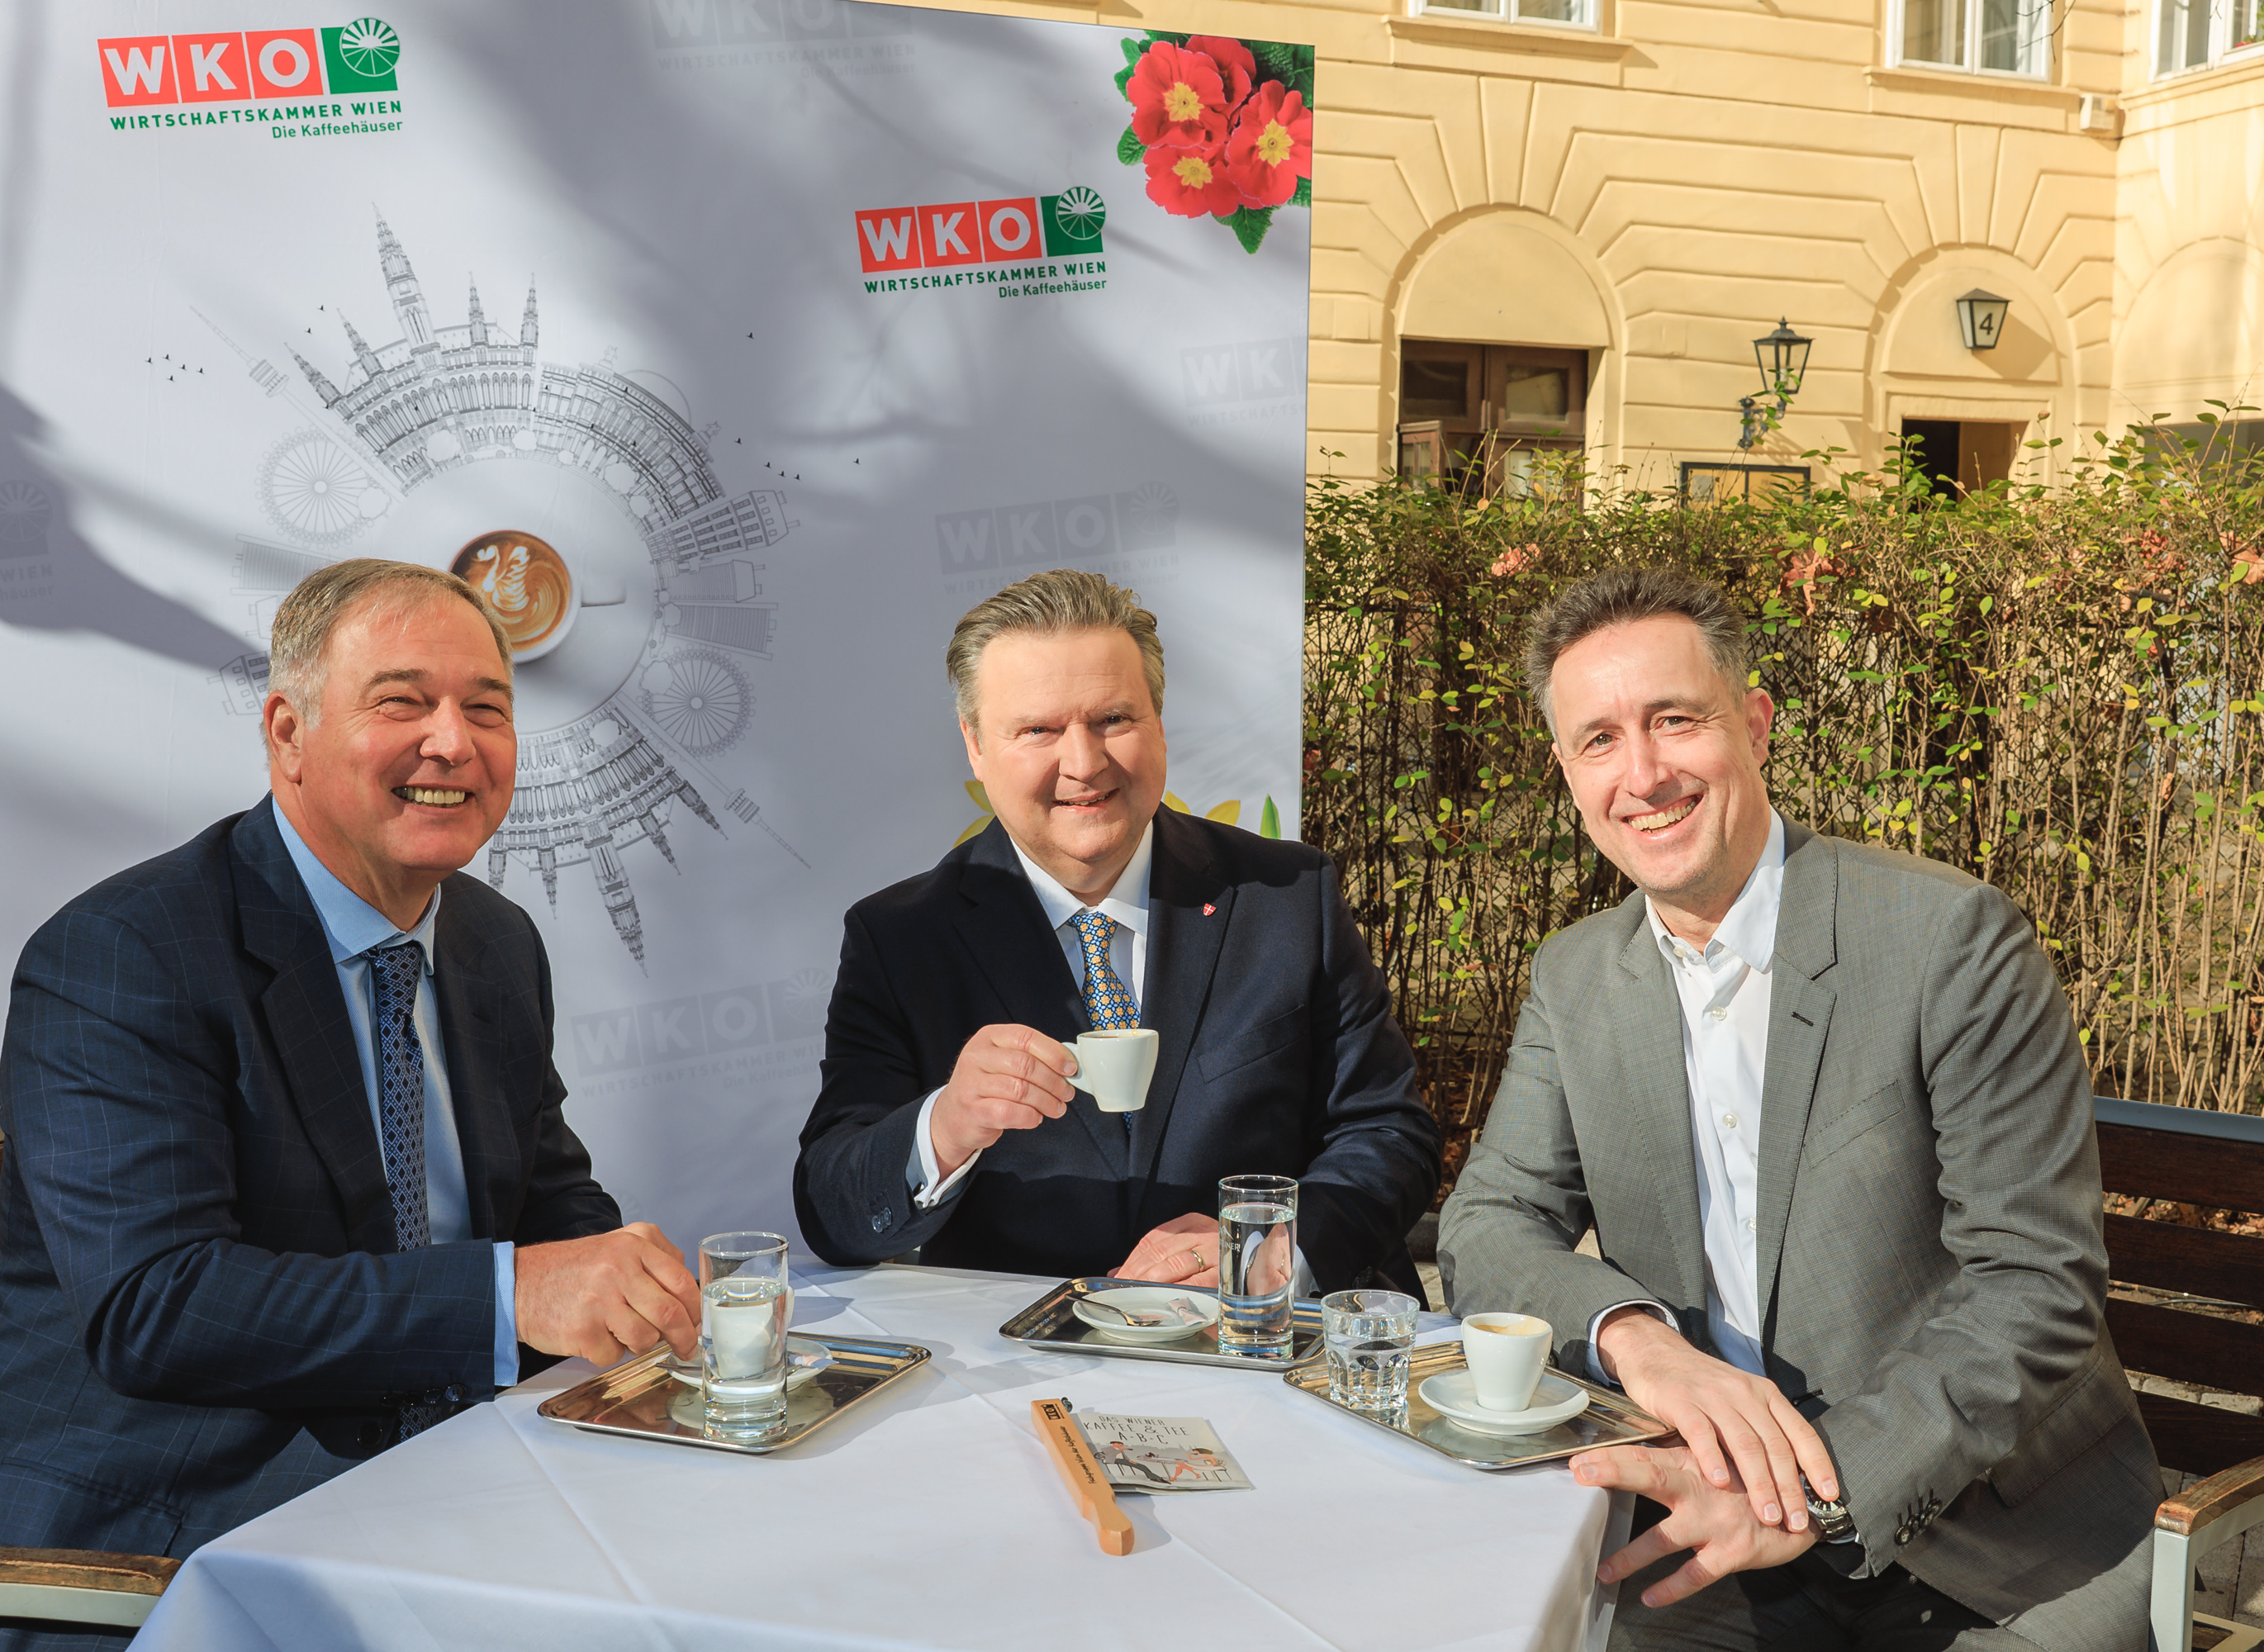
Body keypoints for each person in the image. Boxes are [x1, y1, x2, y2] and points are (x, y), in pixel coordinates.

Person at [0, 560, 700, 1652]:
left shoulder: (494, 941)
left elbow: (548, 1201)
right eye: (402, 702)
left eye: (487, 708)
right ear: (288, 732)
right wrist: (509, 1295)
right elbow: (157, 1307)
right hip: (141, 1546)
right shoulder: (124, 954)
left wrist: (633, 1301)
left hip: (426, 1476)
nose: (453, 742)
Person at [1435, 567, 2158, 1650]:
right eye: (1600, 740)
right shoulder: (1575, 976)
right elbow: (1488, 1221)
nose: (1643, 773)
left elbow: (2035, 1281)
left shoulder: (1949, 940)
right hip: (1707, 1520)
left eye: (1676, 720)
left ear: (1757, 724)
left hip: (1993, 1545)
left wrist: (1813, 1494)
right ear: (1568, 773)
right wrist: (1634, 1338)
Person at [794, 569, 1442, 1298]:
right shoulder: (901, 939)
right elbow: (832, 1209)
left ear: (1158, 723)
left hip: (1260, 1340)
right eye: (1038, 730)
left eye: (1112, 719)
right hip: (1024, 1352)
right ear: (975, 746)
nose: (1084, 763)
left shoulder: (1288, 897)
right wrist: (943, 1127)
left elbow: (1390, 1135)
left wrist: (1277, 1251)